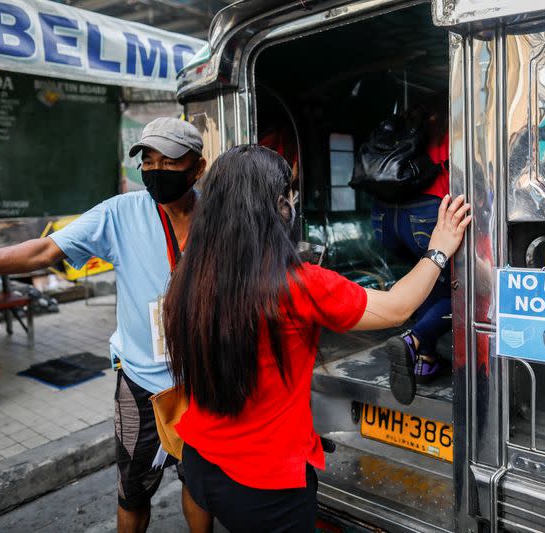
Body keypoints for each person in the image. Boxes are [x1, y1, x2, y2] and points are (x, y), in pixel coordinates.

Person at [0, 118, 213, 533]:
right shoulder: (120, 213)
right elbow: (44, 250)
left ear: (197, 169)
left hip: (205, 380)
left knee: (200, 485)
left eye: (170, 162)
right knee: (132, 490)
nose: (157, 170)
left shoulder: (219, 218)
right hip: (142, 383)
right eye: (149, 161)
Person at [163, 145, 470, 531]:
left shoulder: (189, 274)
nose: (292, 204)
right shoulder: (297, 285)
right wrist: (439, 249)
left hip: (199, 460)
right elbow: (396, 307)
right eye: (287, 196)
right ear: (274, 208)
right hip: (267, 487)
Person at [369, 109, 452, 405]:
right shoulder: (450, 125)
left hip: (383, 218)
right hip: (426, 215)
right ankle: (412, 341)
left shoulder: (406, 126)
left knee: (425, 278)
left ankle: (426, 358)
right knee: (461, 291)